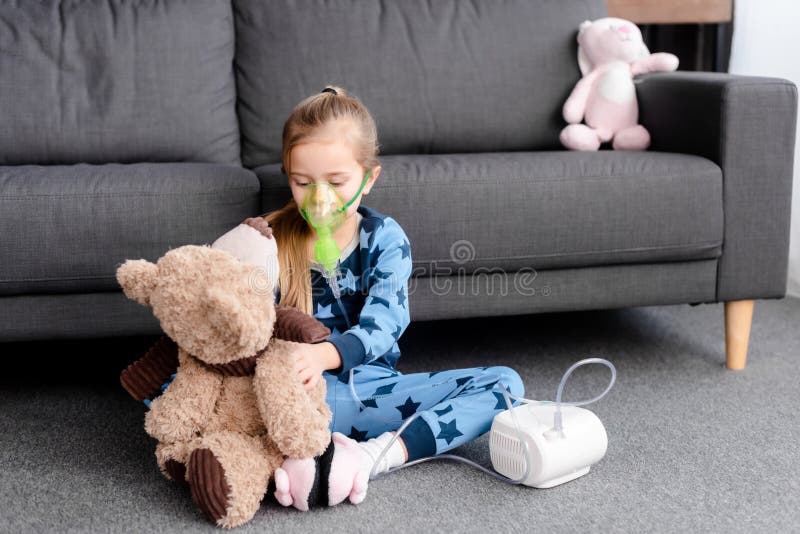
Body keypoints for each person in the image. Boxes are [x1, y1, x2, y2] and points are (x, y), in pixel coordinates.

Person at [254, 85, 526, 509]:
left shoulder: (383, 238)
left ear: (369, 179)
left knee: (506, 385)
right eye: (303, 182)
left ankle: (372, 456)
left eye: (336, 182)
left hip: (369, 395)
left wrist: (326, 355)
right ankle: (288, 455)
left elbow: (385, 323)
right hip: (292, 398)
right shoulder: (270, 239)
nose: (320, 199)